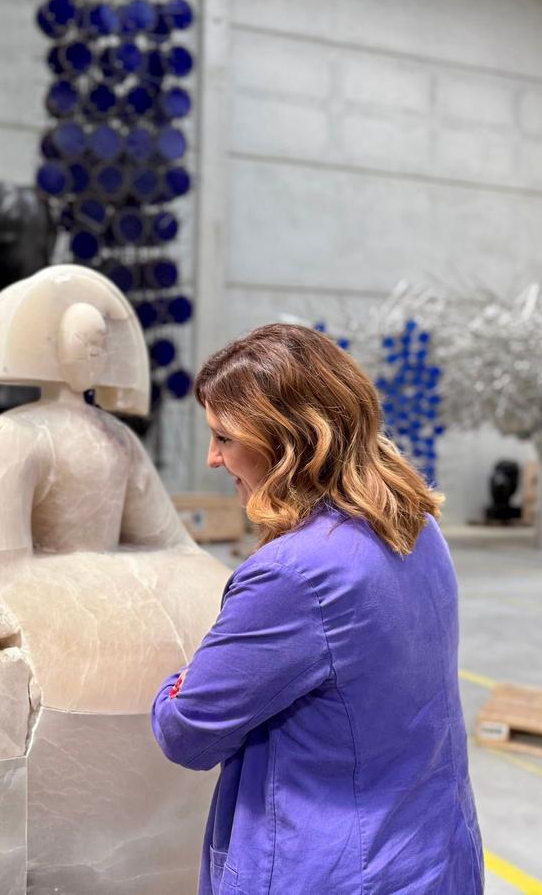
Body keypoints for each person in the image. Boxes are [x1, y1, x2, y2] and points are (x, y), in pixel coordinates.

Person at [151, 324, 483, 894]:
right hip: (431, 856)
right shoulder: (416, 527)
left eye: (225, 438)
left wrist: (177, 681)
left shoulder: (292, 575)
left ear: (289, 441)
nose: (212, 458)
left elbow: (188, 731)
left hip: (336, 873)